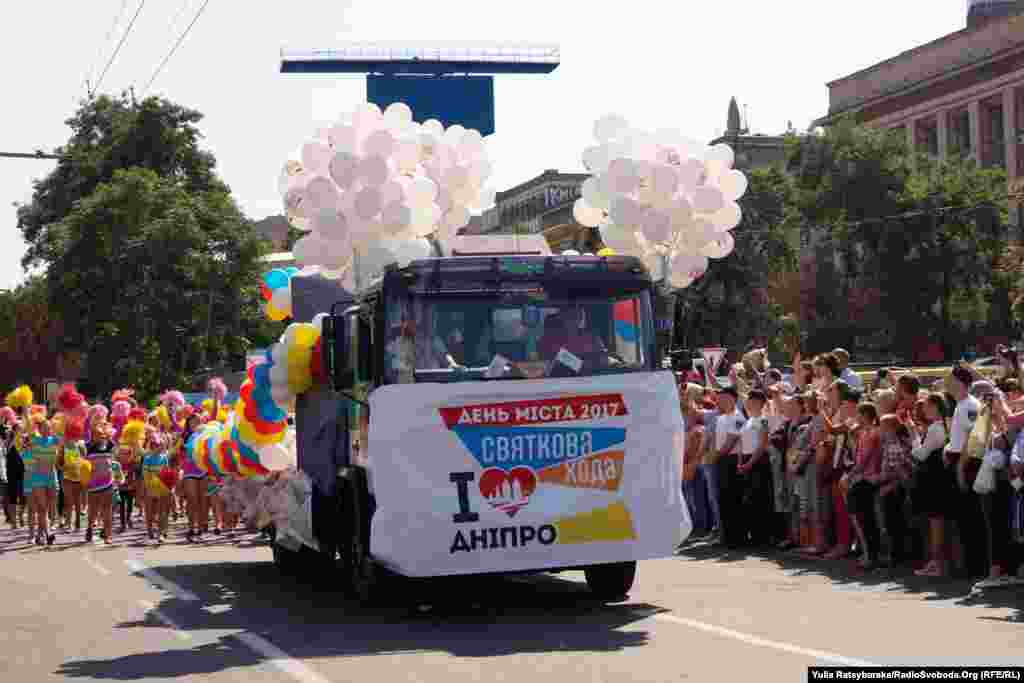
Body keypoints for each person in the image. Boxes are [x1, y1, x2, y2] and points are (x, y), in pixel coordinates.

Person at [910, 393, 953, 577]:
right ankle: (937, 563)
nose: (924, 410)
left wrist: (912, 433)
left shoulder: (937, 427)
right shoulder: (941, 426)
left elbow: (920, 454)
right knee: (936, 521)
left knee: (936, 522)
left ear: (936, 406)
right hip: (937, 478)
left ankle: (938, 564)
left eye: (927, 406)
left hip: (935, 480)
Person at [844, 402, 883, 569]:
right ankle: (867, 553)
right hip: (863, 478)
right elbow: (857, 456)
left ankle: (870, 555)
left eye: (858, 415)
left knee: (864, 519)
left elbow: (864, 460)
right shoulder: (863, 433)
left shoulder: (872, 433)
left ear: (865, 415)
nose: (855, 418)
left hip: (868, 480)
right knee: (862, 519)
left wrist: (849, 476)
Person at [739, 389, 773, 546]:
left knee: (760, 498)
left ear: (760, 403)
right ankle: (752, 533)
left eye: (753, 400)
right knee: (749, 499)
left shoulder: (764, 420)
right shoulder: (748, 421)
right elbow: (742, 443)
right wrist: (740, 462)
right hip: (746, 461)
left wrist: (749, 463)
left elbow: (762, 444)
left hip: (758, 461)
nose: (749, 403)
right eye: (748, 400)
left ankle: (762, 536)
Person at [713, 385, 746, 548]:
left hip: (732, 460)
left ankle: (737, 537)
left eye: (725, 398)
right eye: (720, 398)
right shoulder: (720, 418)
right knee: (723, 499)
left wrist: (714, 457)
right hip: (721, 460)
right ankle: (726, 536)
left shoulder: (739, 418)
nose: (722, 401)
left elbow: (731, 441)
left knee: (733, 499)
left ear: (734, 398)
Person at [26, 417, 60, 546]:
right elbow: (29, 425)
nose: (48, 429)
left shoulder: (55, 439)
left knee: (50, 508)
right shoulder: (35, 439)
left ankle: (40, 535)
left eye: (49, 427)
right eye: (45, 427)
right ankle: (48, 533)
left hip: (52, 476)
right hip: (38, 477)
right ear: (39, 429)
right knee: (42, 507)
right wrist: (25, 411)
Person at [85, 420, 117, 544]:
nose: (100, 436)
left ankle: (108, 535)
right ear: (92, 435)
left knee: (107, 510)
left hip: (108, 482)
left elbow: (116, 458)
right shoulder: (87, 447)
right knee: (93, 510)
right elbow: (82, 464)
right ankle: (90, 527)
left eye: (101, 434)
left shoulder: (109, 445)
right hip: (93, 484)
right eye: (96, 434)